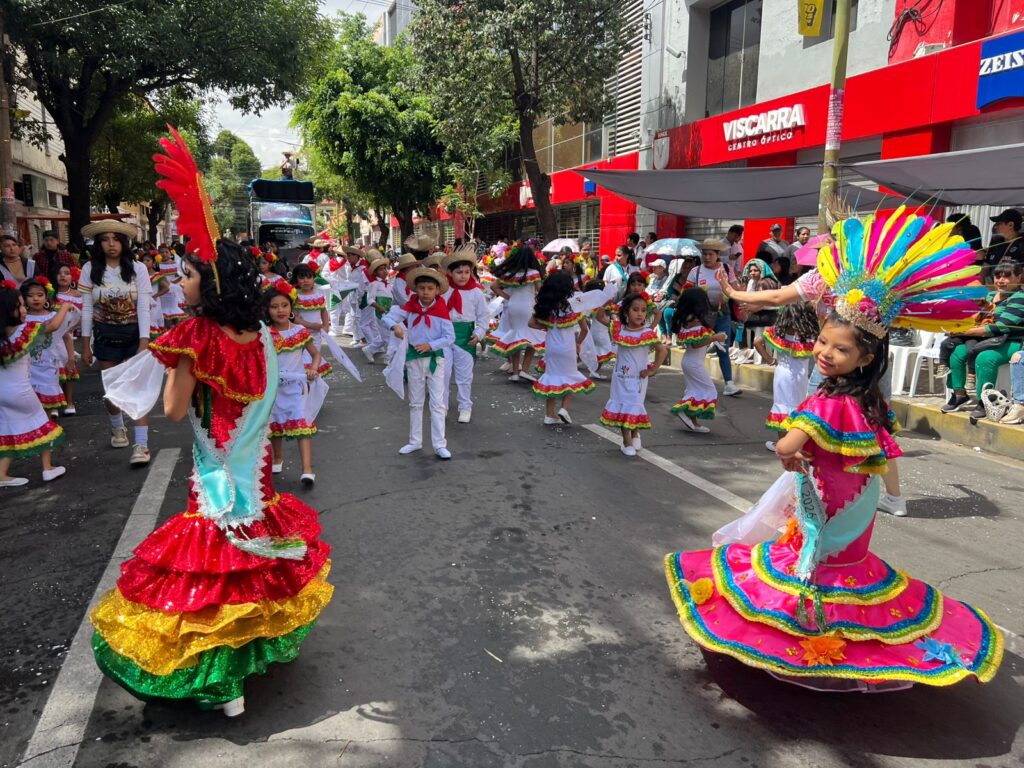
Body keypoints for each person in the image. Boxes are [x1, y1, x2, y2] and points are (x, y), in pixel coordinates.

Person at [665, 208, 1002, 692]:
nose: (824, 352)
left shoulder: (827, 401)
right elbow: (884, 454)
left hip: (829, 499)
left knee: (812, 565)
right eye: (822, 342)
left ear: (865, 357)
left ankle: (804, 635)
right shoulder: (870, 401)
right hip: (857, 497)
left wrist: (789, 449)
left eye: (838, 349)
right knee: (845, 561)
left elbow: (788, 442)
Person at [91, 128, 332, 715]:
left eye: (188, 275)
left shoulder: (197, 336)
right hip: (256, 474)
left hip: (216, 477)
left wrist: (178, 363)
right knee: (251, 562)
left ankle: (225, 683)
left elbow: (175, 411)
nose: (180, 282)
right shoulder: (263, 334)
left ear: (212, 282)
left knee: (216, 568)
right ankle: (248, 661)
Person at [79, 220, 154, 466]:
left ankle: (141, 444)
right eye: (105, 239)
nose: (111, 244)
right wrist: (86, 344)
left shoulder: (138, 268)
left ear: (124, 242)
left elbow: (143, 306)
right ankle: (117, 427)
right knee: (112, 389)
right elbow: (87, 308)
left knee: (137, 388)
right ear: (98, 244)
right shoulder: (90, 269)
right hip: (105, 335)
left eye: (116, 239)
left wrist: (144, 340)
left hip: (134, 334)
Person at [0, 280, 70, 486]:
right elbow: (54, 326)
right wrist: (65, 306)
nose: (24, 309)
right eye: (20, 306)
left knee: (7, 429)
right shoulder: (24, 331)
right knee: (44, 425)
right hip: (21, 392)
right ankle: (47, 468)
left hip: (2, 393)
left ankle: (2, 474)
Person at [384, 268, 455, 459]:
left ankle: (439, 444)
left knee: (437, 403)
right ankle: (415, 441)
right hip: (414, 359)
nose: (425, 292)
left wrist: (431, 345)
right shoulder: (410, 308)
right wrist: (395, 326)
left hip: (435, 360)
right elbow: (388, 317)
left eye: (430, 288)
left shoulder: (441, 311)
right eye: (422, 288)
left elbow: (450, 337)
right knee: (415, 402)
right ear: (416, 289)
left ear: (437, 290)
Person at [942, 263, 1024, 420]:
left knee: (985, 358)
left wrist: (965, 331)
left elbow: (1002, 326)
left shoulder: (1020, 298)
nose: (1001, 280)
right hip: (983, 340)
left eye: (1007, 276)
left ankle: (984, 401)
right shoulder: (989, 296)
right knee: (956, 351)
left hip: (1011, 342)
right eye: (998, 276)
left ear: (1019, 277)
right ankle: (959, 394)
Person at [265, 282, 323, 483]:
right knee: (274, 425)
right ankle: (278, 457)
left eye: (284, 305)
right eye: (274, 306)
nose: (280, 310)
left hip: (297, 388)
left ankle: (307, 469)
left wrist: (313, 368)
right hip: (272, 389)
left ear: (291, 307)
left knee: (302, 425)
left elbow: (315, 354)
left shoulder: (299, 331)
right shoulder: (264, 334)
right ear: (267, 310)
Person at [600, 292, 669, 456]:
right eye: (635, 310)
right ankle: (627, 441)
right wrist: (605, 299)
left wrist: (653, 369)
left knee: (634, 405)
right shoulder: (619, 329)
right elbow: (600, 316)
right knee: (624, 405)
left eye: (643, 310)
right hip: (620, 378)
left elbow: (662, 351)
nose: (640, 314)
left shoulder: (647, 333)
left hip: (639, 379)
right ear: (626, 312)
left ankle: (635, 433)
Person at [528, 271, 594, 425]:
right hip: (568, 347)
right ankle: (564, 409)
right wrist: (578, 343)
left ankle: (549, 415)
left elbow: (531, 323)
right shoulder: (573, 307)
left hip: (552, 348)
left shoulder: (545, 307)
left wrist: (548, 326)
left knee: (552, 377)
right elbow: (585, 330)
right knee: (571, 377)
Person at [760, 302, 819, 452]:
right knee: (798, 407)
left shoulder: (779, 331)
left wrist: (769, 359)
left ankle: (781, 444)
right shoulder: (811, 335)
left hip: (782, 374)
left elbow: (757, 342)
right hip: (802, 377)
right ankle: (796, 444)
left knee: (782, 406)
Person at [687, 239, 741, 396]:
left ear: (718, 255)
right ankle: (696, 383)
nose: (707, 257)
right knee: (698, 348)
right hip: (701, 316)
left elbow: (736, 291)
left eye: (710, 254)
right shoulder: (695, 271)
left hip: (722, 314)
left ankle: (729, 384)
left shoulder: (726, 269)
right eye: (704, 254)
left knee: (723, 347)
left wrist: (744, 306)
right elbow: (687, 293)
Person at [442, 247, 489, 424]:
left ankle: (465, 406)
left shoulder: (476, 292)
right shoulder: (443, 290)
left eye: (467, 272)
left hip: (466, 337)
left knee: (464, 376)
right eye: (459, 272)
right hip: (444, 336)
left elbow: (483, 316)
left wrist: (479, 333)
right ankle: (442, 405)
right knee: (443, 373)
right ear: (450, 273)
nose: (463, 276)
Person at [670, 287, 726, 433]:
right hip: (694, 363)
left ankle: (693, 422)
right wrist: (715, 338)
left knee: (695, 390)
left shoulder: (686, 320)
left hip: (690, 362)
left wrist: (715, 339)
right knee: (708, 390)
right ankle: (684, 411)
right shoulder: (694, 321)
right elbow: (696, 344)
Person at [490, 244, 544, 381]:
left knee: (515, 337)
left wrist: (509, 297)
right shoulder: (534, 273)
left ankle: (515, 373)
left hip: (513, 306)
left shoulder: (510, 273)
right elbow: (540, 291)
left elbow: (493, 286)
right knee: (533, 337)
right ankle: (524, 370)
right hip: (528, 306)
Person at [21, 277, 74, 417]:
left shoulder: (55, 316)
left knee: (51, 387)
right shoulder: (23, 319)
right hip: (31, 364)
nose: (35, 299)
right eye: (30, 296)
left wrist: (71, 358)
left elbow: (67, 337)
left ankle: (55, 412)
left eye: (40, 295)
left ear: (46, 296)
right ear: (24, 299)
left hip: (52, 360)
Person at [52, 263, 83, 414]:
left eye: (66, 273)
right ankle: (53, 403)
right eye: (59, 273)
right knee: (52, 370)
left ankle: (69, 402)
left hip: (67, 336)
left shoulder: (78, 295)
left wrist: (71, 328)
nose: (63, 276)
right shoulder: (49, 295)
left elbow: (82, 315)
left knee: (68, 368)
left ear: (73, 276)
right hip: (51, 336)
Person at [292, 263, 333, 377]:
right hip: (299, 334)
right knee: (302, 360)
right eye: (302, 277)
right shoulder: (295, 296)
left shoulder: (318, 295)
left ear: (314, 278)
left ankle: (313, 381)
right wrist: (311, 325)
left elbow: (323, 311)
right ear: (296, 279)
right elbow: (293, 318)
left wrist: (326, 326)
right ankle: (304, 383)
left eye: (309, 277)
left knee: (313, 357)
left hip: (315, 335)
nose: (306, 280)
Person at [140, 251, 169, 341]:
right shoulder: (140, 275)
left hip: (154, 303)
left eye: (147, 260)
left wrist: (154, 296)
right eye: (143, 260)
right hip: (142, 302)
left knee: (151, 321)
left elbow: (166, 288)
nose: (144, 262)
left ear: (154, 262)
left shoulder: (157, 275)